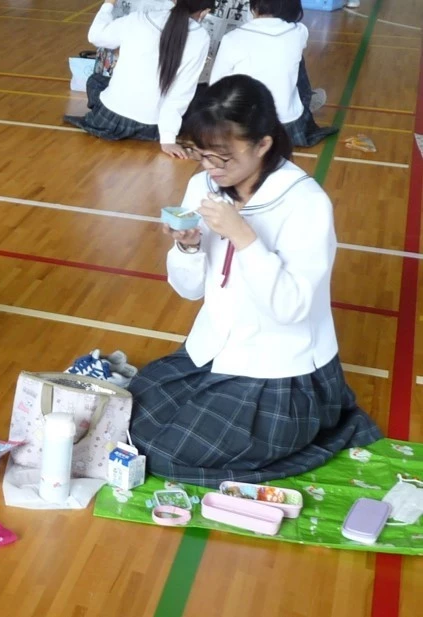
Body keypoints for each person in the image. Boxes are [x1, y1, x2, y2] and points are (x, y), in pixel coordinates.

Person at [127, 75, 382, 486]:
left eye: (222, 158)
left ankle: (316, 427)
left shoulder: (306, 203)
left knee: (166, 451)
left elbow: (290, 309)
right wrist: (188, 247)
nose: (210, 168)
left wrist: (244, 237)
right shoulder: (205, 185)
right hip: (215, 351)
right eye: (201, 155)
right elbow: (191, 290)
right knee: (127, 421)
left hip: (280, 372)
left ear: (263, 144)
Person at [64, 0, 213, 158]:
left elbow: (96, 36)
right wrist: (168, 139)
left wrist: (108, 4)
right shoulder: (201, 38)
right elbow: (181, 94)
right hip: (152, 129)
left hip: (109, 120)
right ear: (205, 12)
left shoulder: (138, 19)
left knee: (95, 81)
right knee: (199, 97)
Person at [208, 0, 336, 147]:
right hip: (287, 125)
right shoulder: (299, 31)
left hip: (245, 128)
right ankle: (301, 102)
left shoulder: (231, 38)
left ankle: (300, 102)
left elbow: (215, 85)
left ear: (253, 7)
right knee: (294, 61)